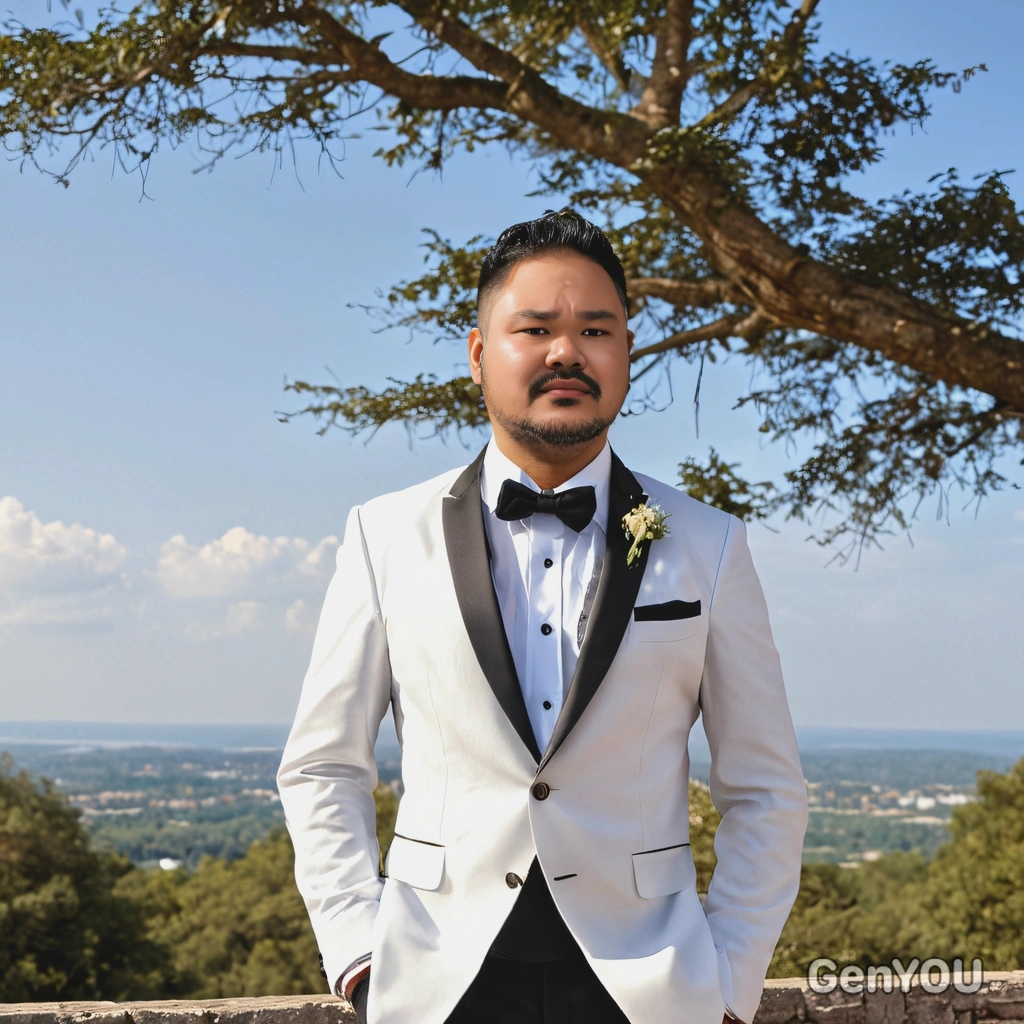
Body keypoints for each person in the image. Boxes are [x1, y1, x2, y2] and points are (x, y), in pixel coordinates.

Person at [277, 210, 809, 1024]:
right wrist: (358, 955)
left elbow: (766, 786)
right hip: (435, 983)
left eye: (596, 329)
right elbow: (323, 767)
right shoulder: (383, 536)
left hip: (649, 987)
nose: (567, 352)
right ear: (479, 353)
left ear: (626, 352)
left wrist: (730, 979)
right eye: (535, 329)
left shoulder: (711, 543)